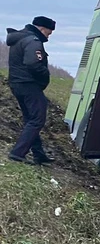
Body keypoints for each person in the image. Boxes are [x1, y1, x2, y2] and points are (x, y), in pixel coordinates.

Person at [5, 16, 55, 164]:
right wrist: (45, 75)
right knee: (37, 119)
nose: (48, 36)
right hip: (28, 84)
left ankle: (39, 154)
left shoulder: (20, 39)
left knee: (30, 119)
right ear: (41, 28)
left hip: (17, 83)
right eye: (48, 33)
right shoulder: (33, 41)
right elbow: (33, 63)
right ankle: (18, 152)